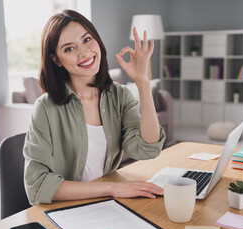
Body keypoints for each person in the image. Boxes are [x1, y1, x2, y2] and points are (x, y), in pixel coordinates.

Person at [23, 9, 166, 205]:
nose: (84, 53)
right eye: (69, 49)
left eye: (87, 40)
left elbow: (146, 149)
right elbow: (37, 186)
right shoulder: (45, 108)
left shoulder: (119, 95)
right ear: (56, 59)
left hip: (106, 203)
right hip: (66, 208)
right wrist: (112, 188)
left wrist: (143, 82)